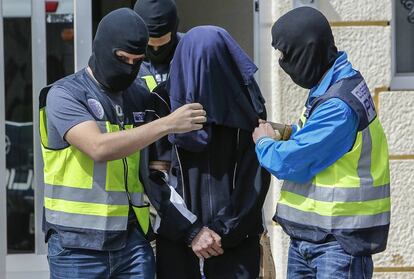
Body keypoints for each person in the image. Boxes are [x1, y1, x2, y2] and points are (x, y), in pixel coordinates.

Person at [39, 8, 206, 279]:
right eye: (121, 58)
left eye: (137, 61)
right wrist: (168, 123)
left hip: (131, 242)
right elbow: (98, 148)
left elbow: (158, 164)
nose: (129, 66)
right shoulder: (64, 94)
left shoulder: (139, 97)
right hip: (77, 248)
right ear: (101, 47)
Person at [252, 7, 390, 279]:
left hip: (337, 245)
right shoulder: (332, 84)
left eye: (286, 54)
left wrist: (264, 142)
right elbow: (321, 144)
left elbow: (292, 162)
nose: (282, 62)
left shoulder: (339, 104)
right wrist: (289, 133)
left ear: (308, 49)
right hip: (313, 238)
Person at [141, 25, 271, 279]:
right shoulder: (164, 101)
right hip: (179, 242)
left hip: (235, 242)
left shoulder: (246, 103)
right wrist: (192, 231)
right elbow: (155, 177)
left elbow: (254, 176)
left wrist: (223, 231)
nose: (206, 73)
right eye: (199, 64)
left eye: (213, 63)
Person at [134, 0, 183, 92]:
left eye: (163, 45)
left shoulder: (189, 54)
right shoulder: (127, 58)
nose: (156, 50)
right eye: (150, 45)